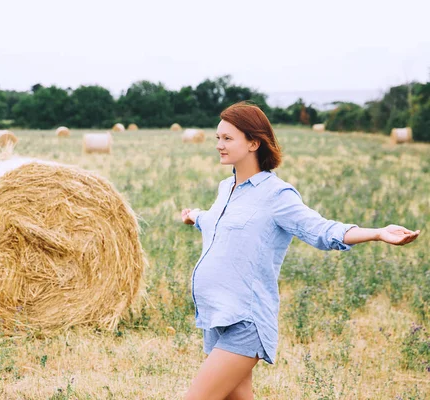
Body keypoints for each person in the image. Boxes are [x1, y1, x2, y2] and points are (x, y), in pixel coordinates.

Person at [180, 101, 420, 400]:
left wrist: (377, 233)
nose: (219, 145)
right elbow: (223, 222)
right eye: (217, 137)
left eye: (228, 138)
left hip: (247, 320)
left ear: (254, 142)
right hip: (217, 316)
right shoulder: (225, 188)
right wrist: (196, 217)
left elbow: (321, 230)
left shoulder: (276, 194)